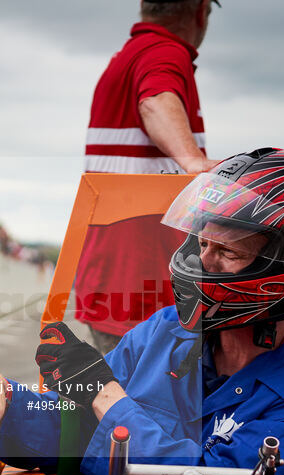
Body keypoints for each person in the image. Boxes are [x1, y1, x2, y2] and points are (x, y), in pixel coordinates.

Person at [0, 148, 284, 475]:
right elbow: (70, 422)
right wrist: (4, 397)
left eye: (228, 251)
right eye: (201, 242)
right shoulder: (164, 332)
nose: (201, 261)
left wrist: (105, 393)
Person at [76, 0, 223, 355]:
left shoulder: (129, 56)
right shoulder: (164, 52)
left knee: (121, 404)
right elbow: (155, 99)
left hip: (113, 278)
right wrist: (194, 161)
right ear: (201, 10)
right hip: (144, 287)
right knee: (156, 408)